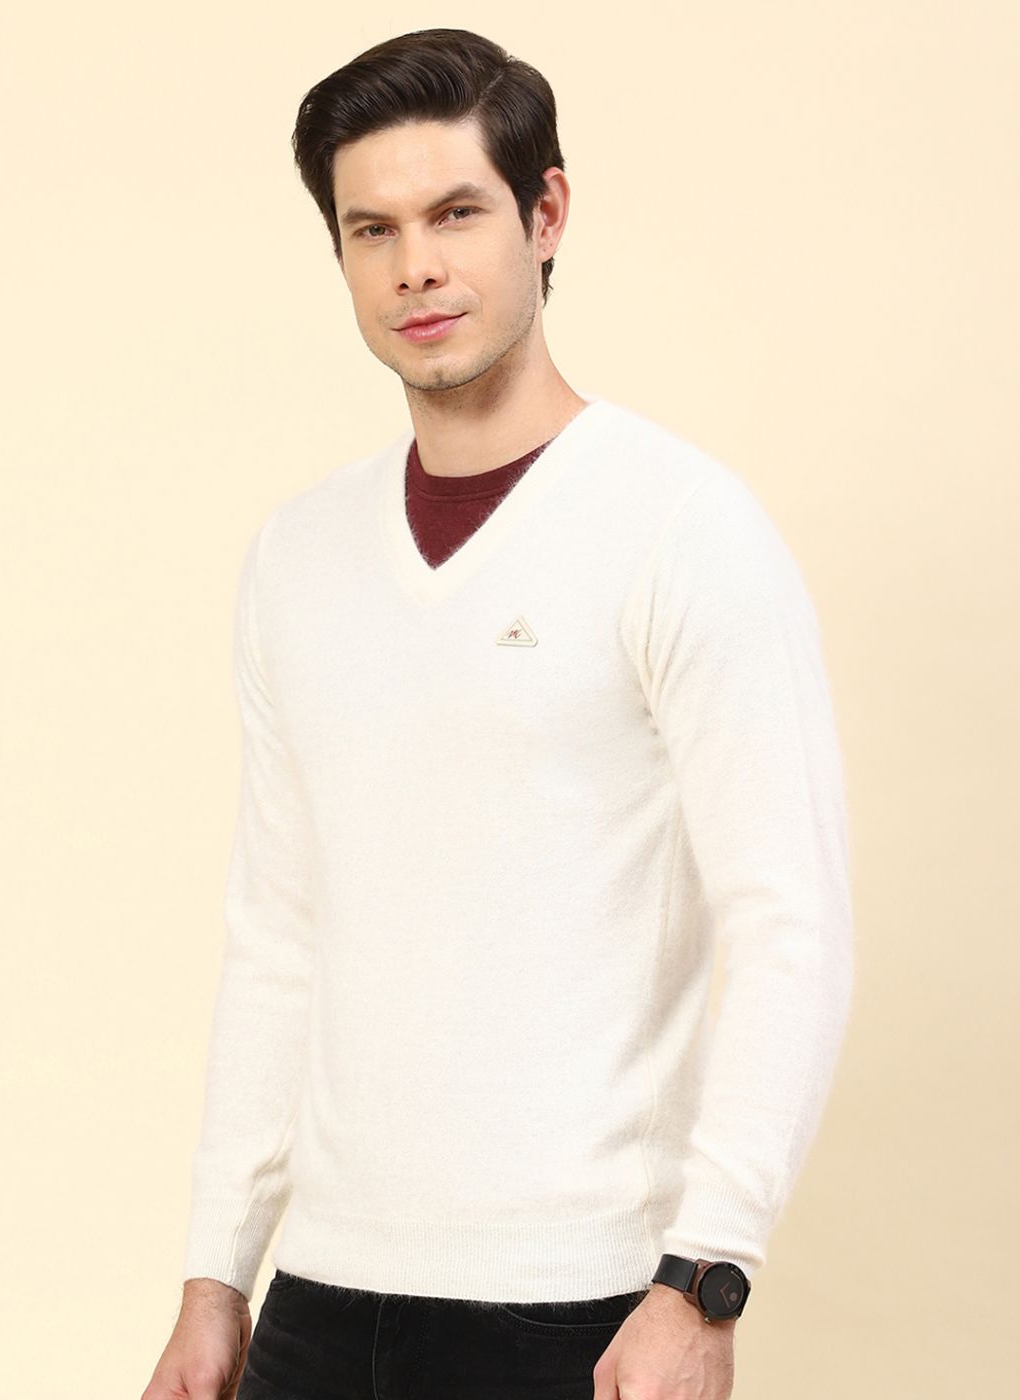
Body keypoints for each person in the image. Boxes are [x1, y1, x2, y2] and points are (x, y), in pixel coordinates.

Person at [141, 26, 854, 1400]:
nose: (414, 265)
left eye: (456, 212)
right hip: (317, 1302)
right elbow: (278, 933)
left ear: (545, 215)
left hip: (579, 1305)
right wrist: (215, 1275)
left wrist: (704, 1277)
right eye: (372, 229)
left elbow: (791, 923)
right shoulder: (297, 556)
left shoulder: (680, 528)